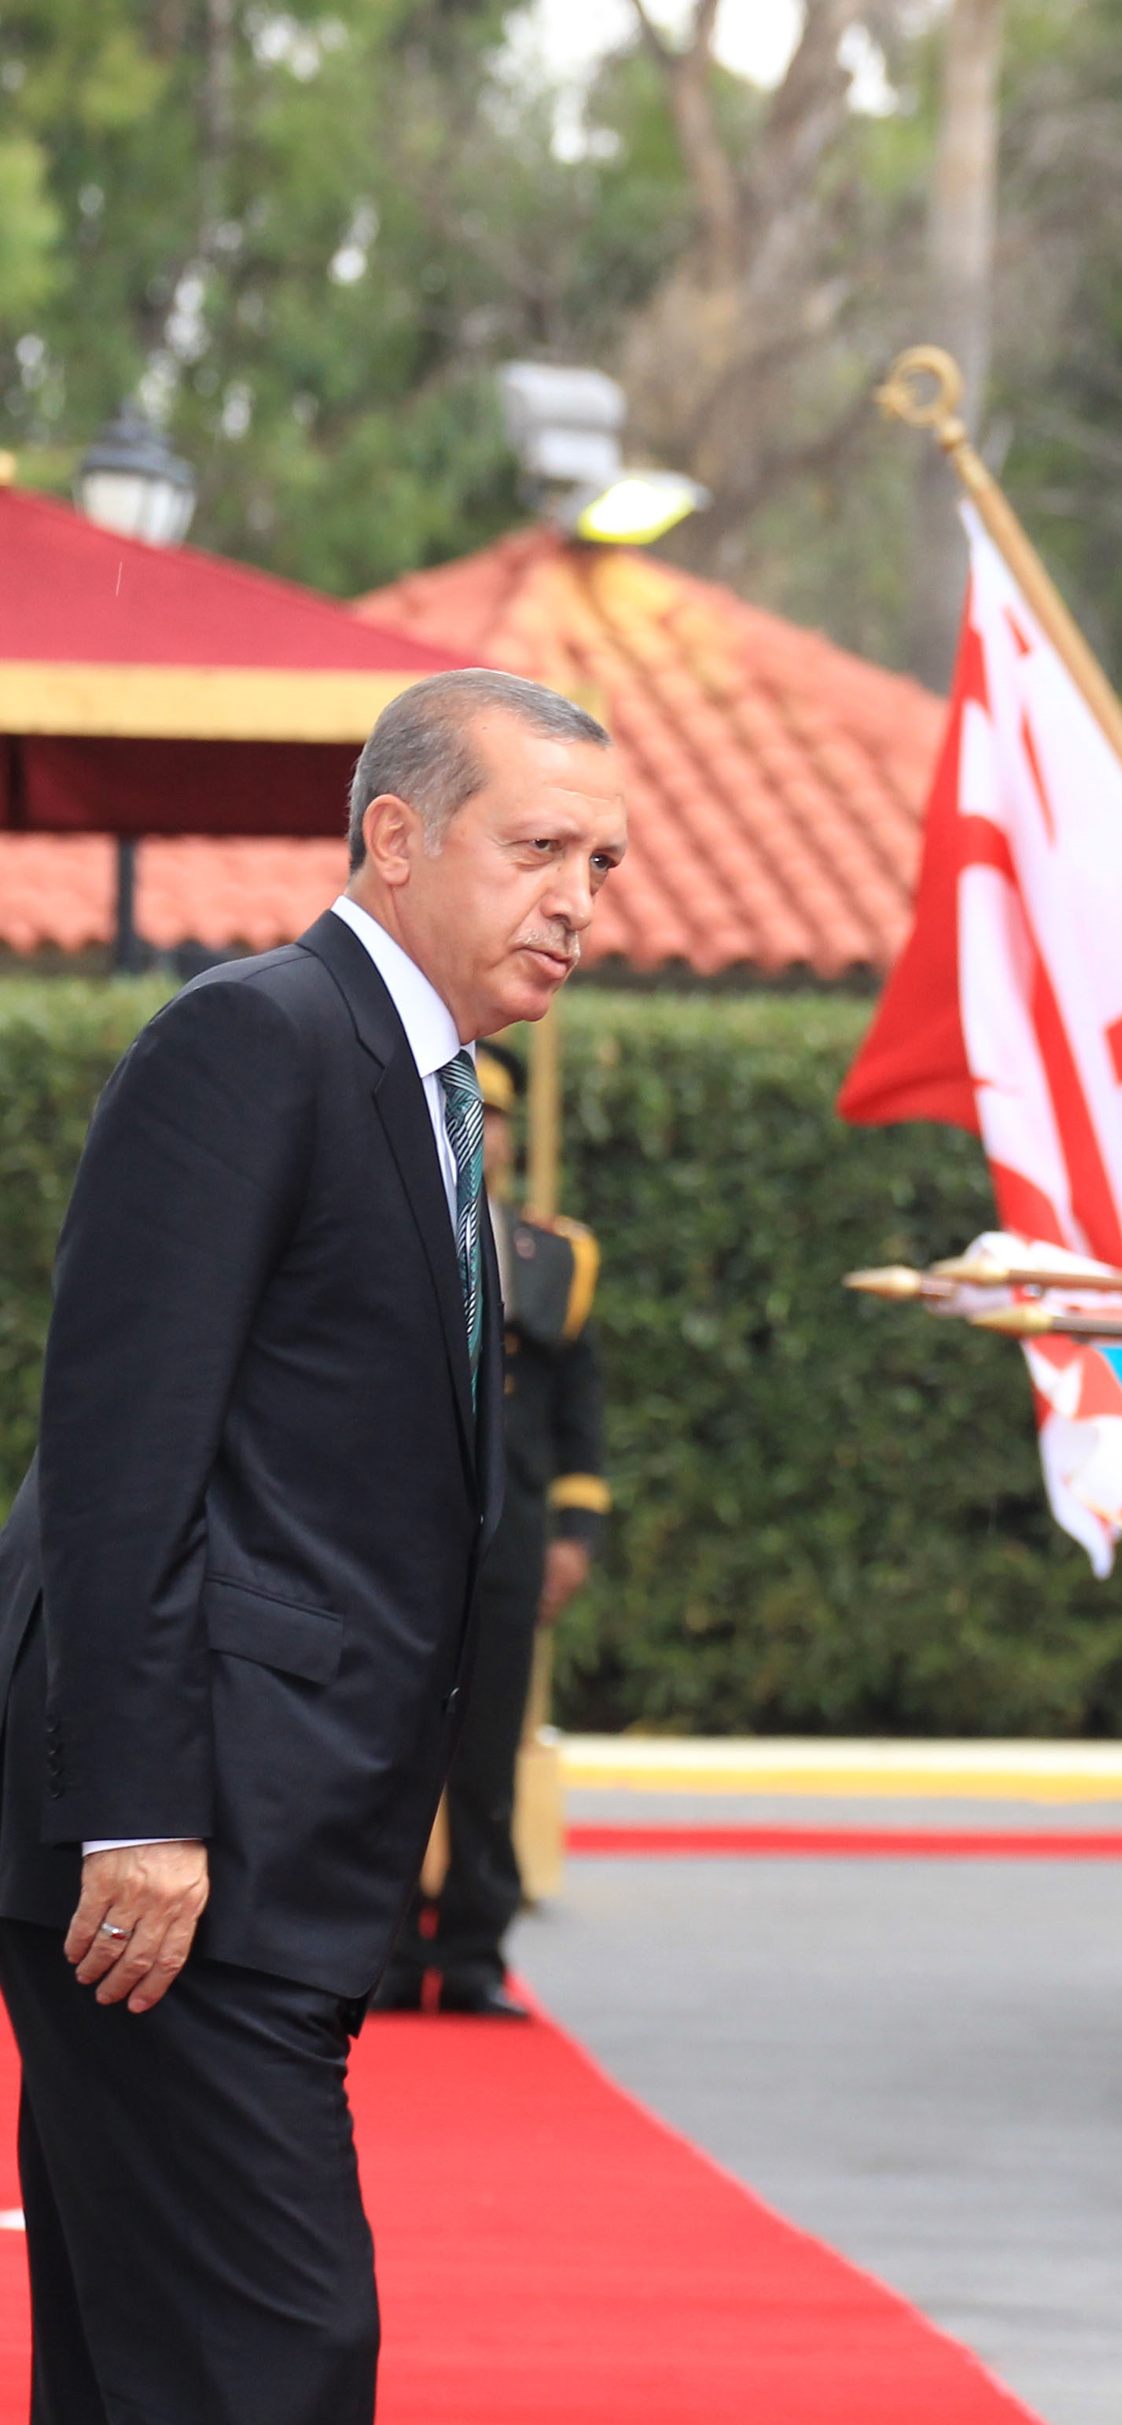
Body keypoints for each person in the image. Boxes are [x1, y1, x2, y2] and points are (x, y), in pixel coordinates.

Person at [0, 667, 627, 2425]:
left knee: (148, 2370)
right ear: (395, 836)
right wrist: (139, 1815)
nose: (578, 902)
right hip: (180, 1866)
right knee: (273, 2363)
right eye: (542, 849)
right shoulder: (257, 1039)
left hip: (273, 1857)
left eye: (605, 864)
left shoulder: (424, 1086)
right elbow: (126, 1454)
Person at [382, 1040, 606, 2019]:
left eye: (501, 1117)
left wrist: (574, 1533)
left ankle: (472, 1949)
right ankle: (383, 1951)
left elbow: (576, 1413)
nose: (492, 1133)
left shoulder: (554, 1257)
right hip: (398, 1535)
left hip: (508, 1537)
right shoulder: (394, 1227)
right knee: (386, 1745)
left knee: (484, 1752)